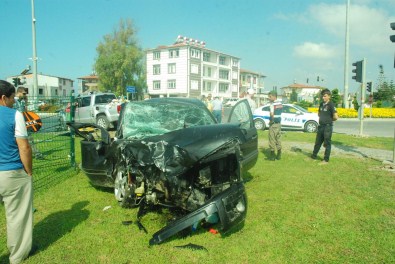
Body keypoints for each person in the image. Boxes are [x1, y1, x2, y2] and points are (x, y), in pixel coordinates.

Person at [0, 80, 34, 264]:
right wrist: (28, 171)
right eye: (13, 97)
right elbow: (24, 147)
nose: (14, 101)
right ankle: (18, 255)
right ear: (3, 98)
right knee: (17, 215)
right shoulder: (15, 115)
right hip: (11, 173)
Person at [311, 89, 338, 164]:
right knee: (318, 142)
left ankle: (326, 160)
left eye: (325, 96)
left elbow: (336, 117)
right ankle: (313, 156)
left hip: (327, 127)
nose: (323, 97)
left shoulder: (331, 105)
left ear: (329, 96)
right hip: (321, 126)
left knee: (327, 143)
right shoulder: (321, 104)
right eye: (322, 96)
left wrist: (329, 120)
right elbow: (319, 113)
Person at [268, 91, 283, 160]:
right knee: (278, 138)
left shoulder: (272, 104)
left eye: (270, 96)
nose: (269, 98)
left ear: (274, 96)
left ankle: (272, 156)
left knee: (272, 139)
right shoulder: (280, 103)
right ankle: (279, 154)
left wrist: (271, 121)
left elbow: (272, 114)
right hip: (279, 123)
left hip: (273, 123)